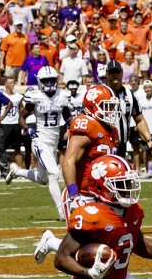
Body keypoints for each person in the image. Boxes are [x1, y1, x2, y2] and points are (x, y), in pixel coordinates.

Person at [34, 84, 121, 261]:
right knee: (83, 250)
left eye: (112, 106)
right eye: (107, 106)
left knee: (105, 243)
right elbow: (68, 161)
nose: (111, 110)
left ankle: (50, 241)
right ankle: (50, 242)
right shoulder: (86, 125)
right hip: (83, 194)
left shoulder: (112, 131)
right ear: (92, 106)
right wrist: (74, 196)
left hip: (102, 195)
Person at [4, 65, 71, 220]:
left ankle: (16, 171)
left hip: (53, 140)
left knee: (43, 178)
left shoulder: (62, 95)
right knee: (54, 174)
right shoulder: (35, 96)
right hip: (40, 139)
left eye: (51, 80)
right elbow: (22, 116)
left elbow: (67, 115)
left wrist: (72, 124)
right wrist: (27, 128)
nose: (48, 83)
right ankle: (62, 212)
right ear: (40, 81)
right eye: (45, 80)